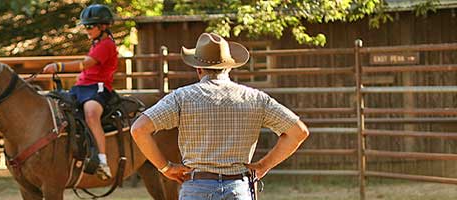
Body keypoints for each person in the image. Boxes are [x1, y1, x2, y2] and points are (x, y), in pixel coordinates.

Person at [131, 33, 310, 199]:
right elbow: (299, 132)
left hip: (196, 187)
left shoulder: (181, 97)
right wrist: (263, 166)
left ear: (199, 69)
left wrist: (166, 167)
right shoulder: (255, 98)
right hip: (238, 187)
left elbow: (139, 129)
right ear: (229, 67)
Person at [42, 4, 117, 180]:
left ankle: (102, 161)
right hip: (81, 87)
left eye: (90, 26)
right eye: (86, 26)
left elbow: (86, 64)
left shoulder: (106, 45)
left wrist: (58, 66)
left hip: (98, 88)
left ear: (103, 27)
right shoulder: (97, 43)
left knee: (91, 114)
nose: (87, 30)